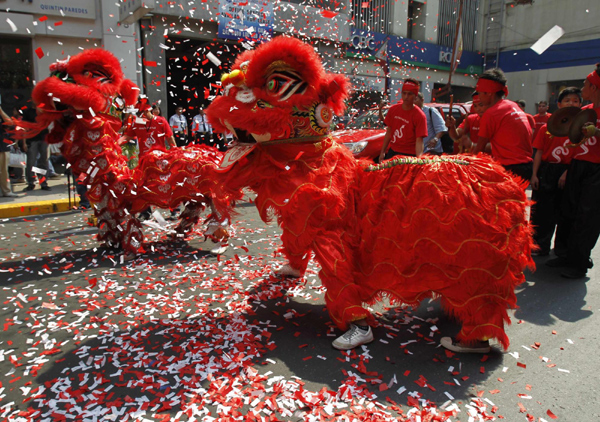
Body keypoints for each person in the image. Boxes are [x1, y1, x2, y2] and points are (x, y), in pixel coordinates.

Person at [549, 65, 600, 278]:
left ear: (596, 87)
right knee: (568, 211)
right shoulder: (586, 111)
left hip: (597, 169)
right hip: (578, 165)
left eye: (586, 84)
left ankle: (579, 263)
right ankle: (565, 255)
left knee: (587, 217)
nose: (583, 87)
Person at [529, 87, 582, 257]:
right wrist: (534, 174)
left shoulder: (582, 130)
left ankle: (561, 249)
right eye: (567, 101)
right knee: (543, 211)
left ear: (580, 104)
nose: (571, 103)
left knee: (565, 213)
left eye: (575, 100)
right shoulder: (546, 128)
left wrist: (567, 173)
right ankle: (539, 246)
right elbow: (538, 152)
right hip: (547, 170)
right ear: (559, 104)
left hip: (569, 171)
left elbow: (579, 154)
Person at [472, 69, 533, 182]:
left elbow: (479, 149)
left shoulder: (491, 113)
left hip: (510, 168)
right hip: (526, 166)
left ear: (489, 92)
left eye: (480, 93)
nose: (478, 96)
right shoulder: (512, 105)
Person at [122, 99, 178, 220]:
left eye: (143, 111)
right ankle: (145, 212)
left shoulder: (161, 121)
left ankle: (175, 210)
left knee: (167, 184)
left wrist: (175, 152)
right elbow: (128, 136)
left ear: (148, 109)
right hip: (144, 162)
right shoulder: (137, 122)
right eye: (139, 111)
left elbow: (170, 137)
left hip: (160, 159)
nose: (141, 114)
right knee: (142, 186)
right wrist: (115, 144)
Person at [378, 79, 428, 161]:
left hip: (409, 155)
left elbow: (419, 140)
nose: (406, 97)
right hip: (393, 152)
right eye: (404, 93)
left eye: (410, 94)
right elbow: (389, 132)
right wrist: (382, 152)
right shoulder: (393, 110)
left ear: (415, 96)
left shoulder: (420, 116)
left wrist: (419, 158)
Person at [21, 107, 51, 191]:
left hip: (44, 139)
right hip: (32, 140)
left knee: (44, 161)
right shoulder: (28, 111)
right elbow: (24, 127)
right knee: (31, 162)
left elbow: (50, 122)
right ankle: (31, 182)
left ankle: (43, 182)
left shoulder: (45, 110)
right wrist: (24, 142)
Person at [0, 105, 18, 197]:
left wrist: (1, 111)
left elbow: (10, 123)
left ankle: (6, 191)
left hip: (2, 146)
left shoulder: (1, 113)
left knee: (4, 171)